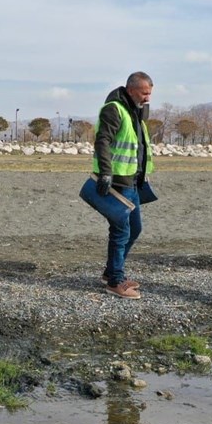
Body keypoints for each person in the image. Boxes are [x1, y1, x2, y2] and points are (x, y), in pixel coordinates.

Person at [93, 71, 154, 299]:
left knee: (134, 229)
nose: (147, 98)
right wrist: (106, 173)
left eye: (149, 94)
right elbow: (103, 141)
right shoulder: (114, 109)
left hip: (134, 181)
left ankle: (111, 273)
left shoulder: (134, 112)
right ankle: (115, 281)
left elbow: (139, 146)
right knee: (121, 231)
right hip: (118, 181)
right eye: (144, 93)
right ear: (131, 90)